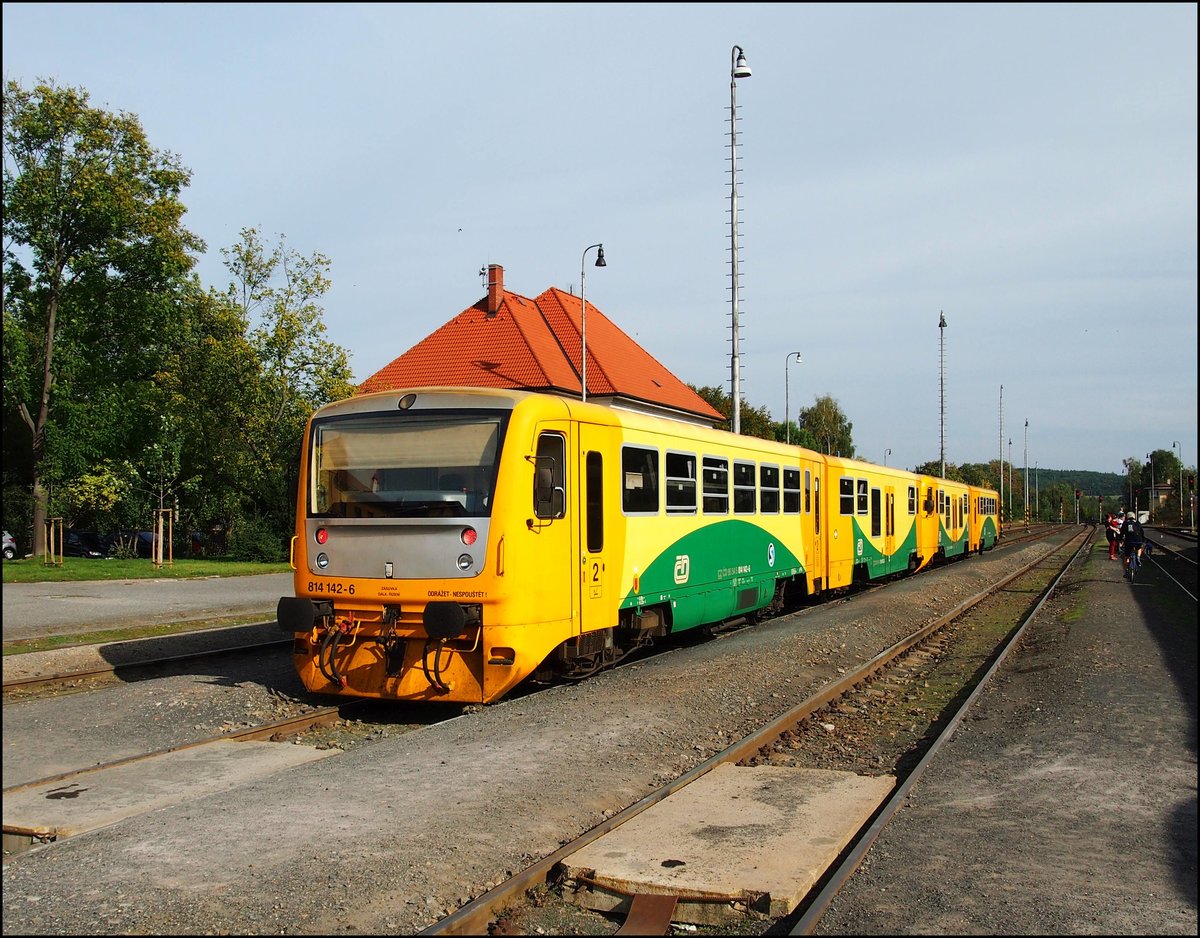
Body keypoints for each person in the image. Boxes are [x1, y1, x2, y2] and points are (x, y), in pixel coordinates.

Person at [1119, 511, 1145, 578]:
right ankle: (1138, 557)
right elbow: (1142, 533)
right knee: (1139, 548)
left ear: (1127, 517)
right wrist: (1142, 541)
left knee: (1126, 556)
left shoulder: (1125, 523)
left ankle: (1126, 572)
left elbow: (1121, 533)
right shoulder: (1138, 523)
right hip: (1138, 542)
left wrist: (1120, 540)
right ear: (1134, 516)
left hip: (1129, 542)